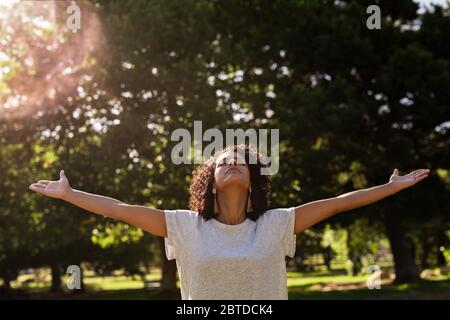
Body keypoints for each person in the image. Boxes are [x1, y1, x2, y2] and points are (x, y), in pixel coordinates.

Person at [28, 144, 430, 299]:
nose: (233, 163)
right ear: (212, 182)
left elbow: (340, 203)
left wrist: (388, 188)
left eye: (241, 161)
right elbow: (118, 209)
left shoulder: (276, 224)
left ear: (252, 180)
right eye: (223, 161)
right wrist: (69, 194)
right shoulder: (183, 225)